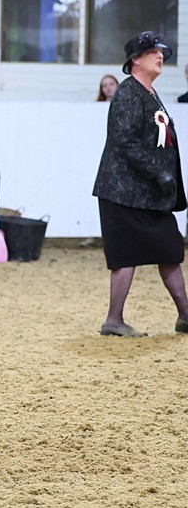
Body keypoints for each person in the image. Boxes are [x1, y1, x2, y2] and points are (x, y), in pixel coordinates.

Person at [92, 31, 188, 338]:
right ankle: (114, 320)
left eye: (160, 52)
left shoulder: (147, 93)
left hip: (144, 193)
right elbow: (125, 142)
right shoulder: (129, 93)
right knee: (126, 256)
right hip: (123, 191)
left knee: (169, 249)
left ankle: (185, 315)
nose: (160, 56)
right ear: (136, 59)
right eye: (153, 52)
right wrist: (157, 172)